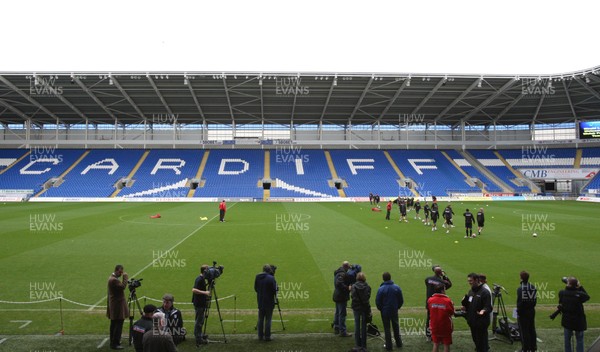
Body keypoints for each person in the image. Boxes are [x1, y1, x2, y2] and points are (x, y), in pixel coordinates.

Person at [460, 273, 492, 352]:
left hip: (481, 322)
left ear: (477, 280)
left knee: (482, 343)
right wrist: (465, 307)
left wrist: (483, 311)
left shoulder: (485, 292)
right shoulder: (471, 291)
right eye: (468, 281)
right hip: (472, 322)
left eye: (471, 281)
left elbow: (488, 307)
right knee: (476, 342)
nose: (469, 282)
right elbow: (470, 304)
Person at [558, 277, 590, 352]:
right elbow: (587, 297)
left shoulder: (562, 293)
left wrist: (570, 287)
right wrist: (579, 286)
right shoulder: (579, 294)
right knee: (579, 340)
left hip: (567, 320)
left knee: (567, 341)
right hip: (578, 322)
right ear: (576, 285)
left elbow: (562, 299)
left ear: (568, 284)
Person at [376, 272, 404, 350]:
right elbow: (401, 300)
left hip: (385, 311)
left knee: (387, 328)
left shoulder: (381, 289)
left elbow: (378, 301)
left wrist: (381, 309)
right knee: (396, 326)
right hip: (394, 310)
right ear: (390, 277)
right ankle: (399, 343)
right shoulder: (397, 287)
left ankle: (389, 345)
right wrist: (397, 307)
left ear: (383, 278)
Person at [425, 266, 452, 340]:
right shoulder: (442, 282)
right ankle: (439, 334)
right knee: (440, 318)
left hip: (429, 302)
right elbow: (449, 284)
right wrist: (444, 276)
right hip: (439, 302)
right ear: (440, 272)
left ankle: (428, 335)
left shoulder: (428, 279)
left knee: (429, 318)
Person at [107, 264, 129, 350]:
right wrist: (125, 277)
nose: (121, 273)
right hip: (117, 306)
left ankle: (113, 341)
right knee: (118, 324)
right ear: (116, 270)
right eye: (120, 272)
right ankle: (115, 343)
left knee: (114, 324)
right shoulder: (113, 280)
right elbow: (123, 287)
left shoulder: (112, 278)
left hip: (115, 305)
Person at [427, 285, 454, 352]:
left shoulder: (430, 300)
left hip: (434, 325)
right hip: (445, 325)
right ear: (442, 290)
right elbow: (451, 312)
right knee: (446, 344)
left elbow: (429, 309)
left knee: (435, 344)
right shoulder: (448, 301)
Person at [255, 264, 278, 341]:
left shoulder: (257, 277)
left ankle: (260, 336)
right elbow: (275, 290)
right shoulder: (271, 278)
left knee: (260, 319)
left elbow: (255, 288)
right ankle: (267, 336)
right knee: (268, 319)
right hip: (269, 302)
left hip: (260, 301)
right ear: (270, 270)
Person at [516, 271, 537, 352]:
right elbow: (534, 301)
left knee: (524, 331)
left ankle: (525, 348)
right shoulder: (533, 287)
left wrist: (518, 311)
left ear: (521, 278)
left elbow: (520, 303)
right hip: (531, 311)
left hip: (523, 313)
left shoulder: (520, 289)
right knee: (531, 329)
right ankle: (533, 347)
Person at [351, 272, 371, 352]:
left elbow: (353, 296)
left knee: (357, 325)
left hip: (356, 308)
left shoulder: (353, 286)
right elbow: (367, 297)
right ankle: (363, 345)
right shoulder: (368, 287)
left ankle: (357, 344)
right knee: (363, 326)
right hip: (364, 308)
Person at [191, 264, 211, 347]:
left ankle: (200, 334)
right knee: (199, 321)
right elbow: (194, 290)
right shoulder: (199, 279)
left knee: (201, 320)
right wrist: (205, 293)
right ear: (205, 271)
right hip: (199, 303)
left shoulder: (202, 279)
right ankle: (198, 338)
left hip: (201, 302)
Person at [333, 261, 352, 337]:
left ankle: (336, 327)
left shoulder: (338, 272)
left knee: (338, 312)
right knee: (342, 313)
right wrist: (347, 288)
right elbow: (339, 283)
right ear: (347, 267)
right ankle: (343, 331)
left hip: (337, 295)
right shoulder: (342, 274)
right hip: (341, 296)